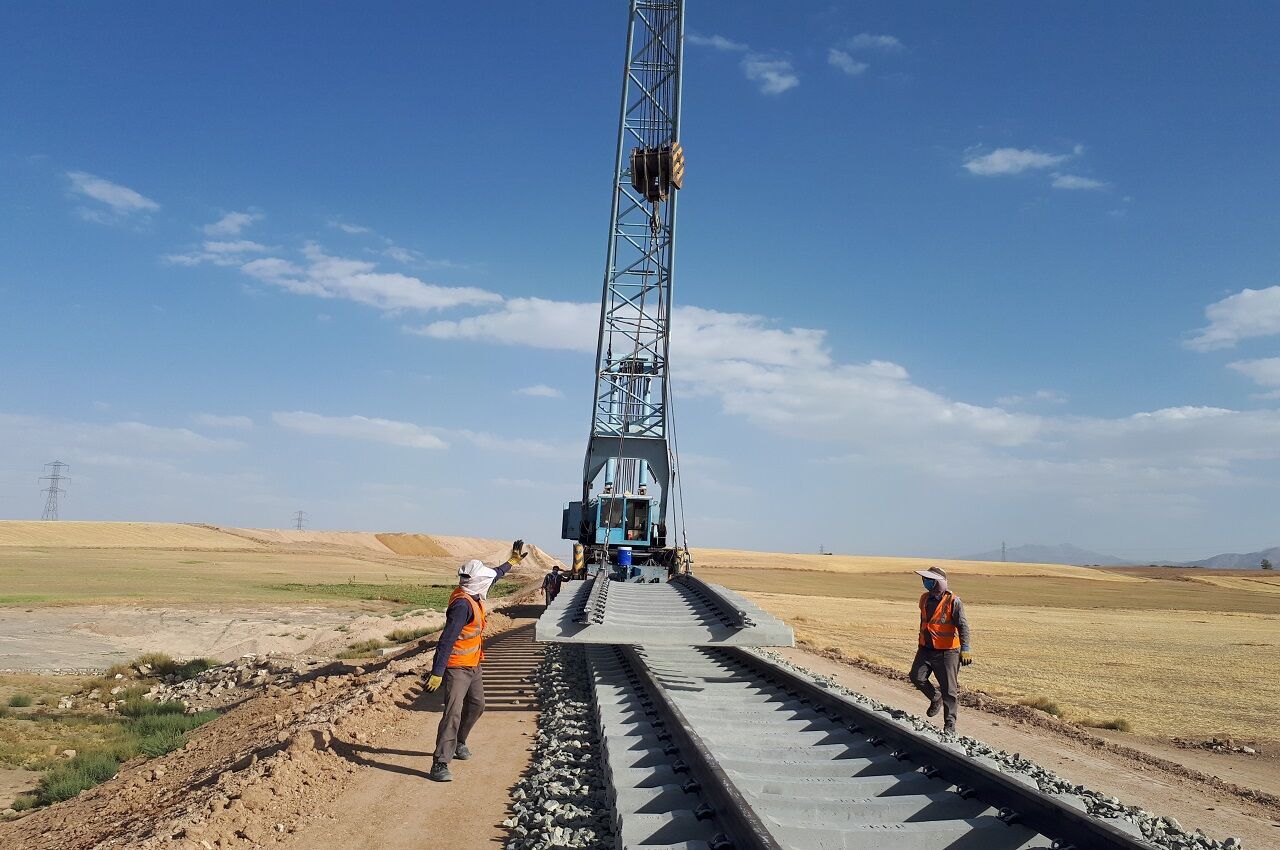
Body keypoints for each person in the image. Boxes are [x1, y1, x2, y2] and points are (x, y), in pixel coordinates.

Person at [425, 539, 528, 782]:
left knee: (478, 705)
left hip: (473, 663)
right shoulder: (462, 605)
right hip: (456, 667)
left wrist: (511, 562)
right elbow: (447, 639)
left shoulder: (473, 590)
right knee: (453, 713)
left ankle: (459, 742)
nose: (490, 581)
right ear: (478, 581)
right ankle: (440, 763)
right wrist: (438, 671)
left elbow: (496, 575)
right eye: (486, 578)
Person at [908, 566, 972, 734]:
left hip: (947, 652)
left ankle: (950, 724)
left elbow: (963, 626)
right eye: (925, 580)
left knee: (949, 690)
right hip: (925, 649)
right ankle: (935, 698)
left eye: (930, 580)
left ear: (939, 582)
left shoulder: (953, 601)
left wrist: (966, 648)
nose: (926, 583)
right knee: (916, 676)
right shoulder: (924, 599)